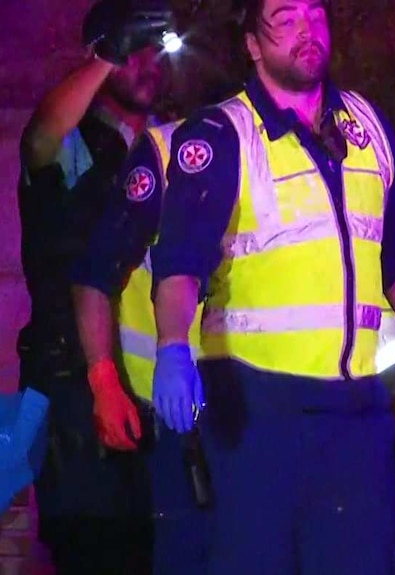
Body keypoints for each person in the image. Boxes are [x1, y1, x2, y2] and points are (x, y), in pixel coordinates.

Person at [146, 0, 395, 573]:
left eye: (315, 13)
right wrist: (173, 345)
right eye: (285, 17)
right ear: (252, 42)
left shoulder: (366, 128)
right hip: (259, 414)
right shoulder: (225, 134)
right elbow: (179, 262)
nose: (306, 30)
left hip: (357, 412)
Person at [16, 1, 172, 572]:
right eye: (134, 50)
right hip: (73, 392)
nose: (147, 63)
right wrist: (111, 52)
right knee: (95, 554)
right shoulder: (75, 140)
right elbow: (37, 140)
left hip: (151, 388)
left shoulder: (169, 148)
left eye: (157, 50)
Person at [70, 116, 210, 575]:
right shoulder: (167, 152)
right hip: (173, 406)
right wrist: (104, 382)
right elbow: (95, 272)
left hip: (261, 400)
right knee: (185, 547)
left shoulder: (292, 150)